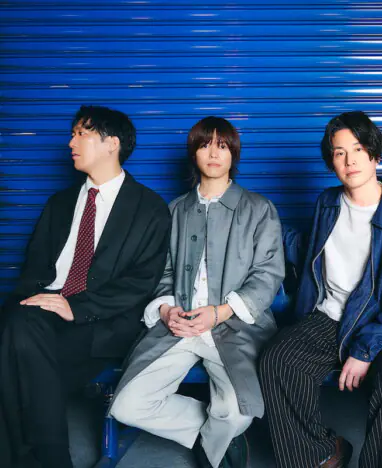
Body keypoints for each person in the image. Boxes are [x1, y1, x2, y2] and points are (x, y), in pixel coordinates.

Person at [258, 111, 382, 468]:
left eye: (358, 149)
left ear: (375, 154)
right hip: (330, 317)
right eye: (339, 152)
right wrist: (260, 228)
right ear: (332, 161)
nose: (350, 160)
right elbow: (310, 250)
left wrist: (364, 350)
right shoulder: (327, 203)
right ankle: (322, 454)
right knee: (276, 361)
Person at [0, 105, 171, 468]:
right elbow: (34, 266)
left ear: (112, 143)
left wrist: (75, 307)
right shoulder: (59, 203)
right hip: (41, 315)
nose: (70, 143)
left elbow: (141, 282)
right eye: (72, 134)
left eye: (81, 134)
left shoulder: (150, 209)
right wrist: (39, 300)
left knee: (13, 356)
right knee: (20, 331)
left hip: (101, 324)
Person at [109, 117, 284, 468]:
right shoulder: (175, 210)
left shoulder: (259, 209)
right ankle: (216, 438)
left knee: (237, 411)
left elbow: (268, 275)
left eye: (222, 146)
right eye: (205, 145)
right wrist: (166, 310)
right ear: (194, 153)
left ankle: (217, 440)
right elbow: (161, 273)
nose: (214, 153)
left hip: (234, 326)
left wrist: (220, 312)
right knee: (126, 405)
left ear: (233, 154)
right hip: (179, 325)